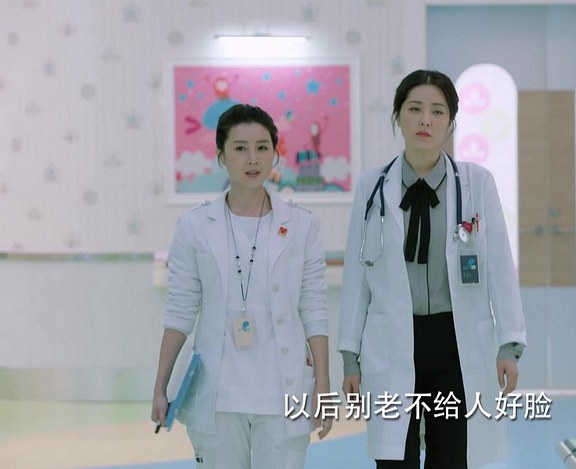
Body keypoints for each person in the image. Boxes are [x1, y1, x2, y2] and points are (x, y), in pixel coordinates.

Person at [338, 70, 527, 468]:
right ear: (398, 116)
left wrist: (509, 344)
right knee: (395, 461)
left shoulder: (477, 184)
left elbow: (499, 267)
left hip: (455, 345)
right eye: (415, 109)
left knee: (451, 459)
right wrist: (350, 356)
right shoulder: (372, 188)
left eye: (437, 111)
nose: (425, 120)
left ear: (451, 121)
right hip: (392, 341)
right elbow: (358, 279)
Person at [151, 104, 332, 469]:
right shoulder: (194, 226)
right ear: (221, 155)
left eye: (262, 147)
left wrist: (323, 387)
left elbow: (313, 307)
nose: (253, 159)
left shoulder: (301, 225)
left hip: (283, 393)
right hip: (219, 396)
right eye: (240, 148)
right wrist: (160, 386)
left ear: (275, 154)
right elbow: (180, 312)